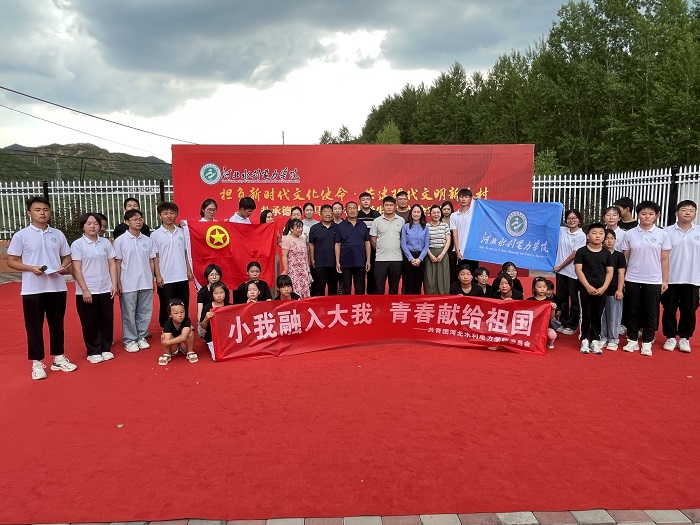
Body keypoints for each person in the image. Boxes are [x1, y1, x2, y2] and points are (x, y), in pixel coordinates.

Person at [6, 196, 76, 380]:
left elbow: (67, 256)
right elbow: (11, 261)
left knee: (57, 324)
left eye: (45, 209)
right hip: (32, 289)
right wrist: (31, 268)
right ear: (29, 213)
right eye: (37, 210)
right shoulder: (21, 235)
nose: (42, 213)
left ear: (50, 211)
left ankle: (58, 358)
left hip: (56, 287)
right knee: (34, 327)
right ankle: (37, 363)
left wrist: (63, 267)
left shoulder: (57, 234)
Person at [620, 201, 671, 356]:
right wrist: (623, 278)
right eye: (643, 214)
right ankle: (632, 339)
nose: (647, 217)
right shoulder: (630, 234)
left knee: (651, 311)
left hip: (653, 279)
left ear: (657, 216)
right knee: (632, 309)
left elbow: (665, 259)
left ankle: (648, 341)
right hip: (633, 277)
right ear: (638, 215)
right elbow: (625, 258)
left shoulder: (662, 234)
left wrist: (665, 280)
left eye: (650, 214)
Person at [71, 213, 118, 363]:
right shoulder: (78, 244)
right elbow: (77, 269)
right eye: (89, 223)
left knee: (106, 319)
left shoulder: (105, 243)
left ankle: (105, 348)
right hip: (87, 289)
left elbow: (112, 264)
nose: (93, 226)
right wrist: (85, 290)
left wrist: (114, 284)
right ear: (83, 226)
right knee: (90, 321)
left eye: (96, 223)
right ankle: (93, 351)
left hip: (105, 287)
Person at [113, 209, 156, 353]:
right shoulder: (120, 241)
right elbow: (117, 263)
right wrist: (118, 282)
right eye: (134, 219)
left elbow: (151, 261)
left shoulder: (147, 240)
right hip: (128, 282)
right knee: (129, 313)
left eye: (140, 219)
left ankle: (141, 336)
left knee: (145, 311)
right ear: (127, 222)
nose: (138, 222)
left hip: (145, 281)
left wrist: (152, 278)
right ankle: (130, 339)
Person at [661, 200, 700, 353]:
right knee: (669, 309)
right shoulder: (667, 232)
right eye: (684, 209)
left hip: (693, 278)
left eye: (691, 210)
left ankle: (685, 338)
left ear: (695, 213)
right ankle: (670, 337)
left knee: (689, 309)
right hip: (671, 277)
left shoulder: (698, 231)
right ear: (677, 213)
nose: (688, 212)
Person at [574, 222, 614, 354]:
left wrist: (604, 288)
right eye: (594, 233)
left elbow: (610, 272)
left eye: (601, 233)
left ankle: (595, 339)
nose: (597, 236)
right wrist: (587, 286)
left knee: (598, 314)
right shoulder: (581, 252)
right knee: (585, 314)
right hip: (585, 289)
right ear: (587, 235)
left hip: (601, 290)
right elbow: (578, 270)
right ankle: (584, 339)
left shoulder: (607, 253)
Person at [151, 201, 193, 327]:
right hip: (166, 276)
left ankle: (184, 324)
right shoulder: (155, 235)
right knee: (166, 303)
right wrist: (158, 275)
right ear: (160, 215)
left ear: (176, 214)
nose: (169, 216)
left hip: (181, 275)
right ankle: (167, 326)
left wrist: (188, 270)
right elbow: (155, 257)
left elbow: (186, 252)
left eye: (172, 213)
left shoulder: (182, 232)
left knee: (183, 302)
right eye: (165, 213)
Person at [553, 209, 587, 335]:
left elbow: (574, 254)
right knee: (562, 298)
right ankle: (563, 322)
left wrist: (560, 266)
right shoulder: (562, 230)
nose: (571, 221)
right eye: (569, 218)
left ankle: (572, 325)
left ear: (579, 219)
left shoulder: (581, 235)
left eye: (574, 218)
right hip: (560, 272)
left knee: (574, 299)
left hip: (573, 272)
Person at [370, 196, 405, 294]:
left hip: (397, 258)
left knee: (394, 288)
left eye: (391, 205)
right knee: (379, 288)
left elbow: (404, 238)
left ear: (395, 206)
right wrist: (380, 249)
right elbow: (373, 239)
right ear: (383, 207)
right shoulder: (377, 221)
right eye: (386, 205)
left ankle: (392, 304)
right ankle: (380, 304)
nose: (389, 207)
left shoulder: (401, 221)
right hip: (380, 259)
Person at [335, 201, 371, 295]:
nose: (352, 210)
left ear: (357, 210)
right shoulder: (341, 226)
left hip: (360, 261)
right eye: (349, 208)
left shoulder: (362, 225)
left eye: (354, 208)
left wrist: (368, 260)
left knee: (360, 289)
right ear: (346, 211)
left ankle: (360, 304)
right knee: (346, 289)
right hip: (345, 261)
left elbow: (367, 242)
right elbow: (337, 244)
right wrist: (337, 262)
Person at [600, 229, 627, 351]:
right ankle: (602, 337)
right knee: (601, 315)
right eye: (607, 238)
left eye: (612, 238)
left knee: (614, 316)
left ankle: (613, 339)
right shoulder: (598, 253)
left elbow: (621, 273)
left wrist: (619, 289)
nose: (609, 241)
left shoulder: (619, 256)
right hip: (600, 290)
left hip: (613, 289)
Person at [309, 204, 339, 296]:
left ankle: (332, 305)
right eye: (325, 212)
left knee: (333, 290)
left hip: (333, 264)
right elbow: (311, 244)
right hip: (319, 264)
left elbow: (338, 244)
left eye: (330, 212)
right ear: (320, 214)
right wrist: (312, 259)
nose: (328, 214)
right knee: (319, 289)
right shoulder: (314, 228)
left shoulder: (337, 228)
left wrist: (338, 261)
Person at [400, 203, 430, 294]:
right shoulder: (405, 226)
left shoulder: (425, 227)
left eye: (418, 212)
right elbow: (403, 244)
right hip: (408, 256)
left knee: (418, 284)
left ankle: (417, 301)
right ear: (411, 213)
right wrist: (411, 259)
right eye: (414, 212)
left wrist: (420, 259)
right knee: (408, 284)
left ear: (421, 213)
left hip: (421, 257)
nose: (416, 214)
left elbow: (426, 245)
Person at [158, 299, 198, 365]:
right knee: (163, 336)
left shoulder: (187, 320)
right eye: (176, 313)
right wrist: (168, 341)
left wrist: (167, 342)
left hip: (184, 345)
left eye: (182, 312)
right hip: (174, 347)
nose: (180, 315)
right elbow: (167, 338)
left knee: (190, 333)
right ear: (170, 315)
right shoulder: (167, 323)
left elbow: (183, 337)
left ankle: (190, 352)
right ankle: (167, 354)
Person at [281, 218, 312, 298]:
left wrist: (307, 268)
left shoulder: (302, 239)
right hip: (294, 270)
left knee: (305, 290)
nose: (300, 229)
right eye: (298, 228)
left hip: (303, 270)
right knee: (296, 291)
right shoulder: (287, 239)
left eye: (301, 227)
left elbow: (305, 255)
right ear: (291, 229)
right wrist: (286, 269)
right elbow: (284, 255)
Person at [424, 204, 451, 294]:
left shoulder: (445, 226)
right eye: (434, 213)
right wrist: (430, 255)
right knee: (430, 276)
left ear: (441, 213)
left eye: (438, 212)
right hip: (429, 253)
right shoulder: (426, 226)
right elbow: (424, 243)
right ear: (430, 214)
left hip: (442, 253)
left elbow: (448, 241)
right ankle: (430, 296)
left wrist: (442, 254)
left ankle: (444, 295)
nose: (436, 215)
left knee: (443, 275)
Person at [357, 192, 380, 294]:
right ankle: (361, 295)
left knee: (373, 273)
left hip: (374, 247)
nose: (365, 201)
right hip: (360, 248)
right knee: (360, 273)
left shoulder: (376, 215)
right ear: (360, 202)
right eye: (363, 200)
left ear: (371, 201)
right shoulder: (356, 215)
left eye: (367, 199)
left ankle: (372, 295)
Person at [199, 281, 229, 359]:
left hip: (227, 337)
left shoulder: (229, 306)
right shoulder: (207, 307)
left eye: (221, 292)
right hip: (212, 337)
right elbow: (203, 326)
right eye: (216, 293)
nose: (219, 296)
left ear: (225, 293)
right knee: (217, 356)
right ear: (212, 294)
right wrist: (206, 318)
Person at [450, 188, 478, 270]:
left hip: (471, 250)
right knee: (459, 273)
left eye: (466, 197)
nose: (463, 199)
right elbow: (455, 234)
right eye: (461, 197)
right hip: (458, 250)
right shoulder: (454, 215)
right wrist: (457, 251)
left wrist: (478, 202)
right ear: (458, 198)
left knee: (472, 273)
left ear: (470, 199)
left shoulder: (474, 213)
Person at [197, 264, 227, 337]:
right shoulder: (202, 291)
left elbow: (226, 307)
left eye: (217, 274)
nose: (214, 277)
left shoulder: (224, 289)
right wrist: (203, 322)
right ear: (207, 276)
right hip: (207, 317)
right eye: (211, 275)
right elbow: (199, 312)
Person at [528, 276, 558, 349]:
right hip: (532, 328)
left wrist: (553, 309)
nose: (542, 289)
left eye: (544, 287)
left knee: (552, 335)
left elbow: (551, 317)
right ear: (534, 288)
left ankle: (549, 342)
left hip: (546, 327)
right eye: (539, 287)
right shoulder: (529, 301)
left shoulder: (550, 301)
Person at [441, 200, 458, 284]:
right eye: (444, 209)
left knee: (453, 268)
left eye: (448, 209)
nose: (446, 211)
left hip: (453, 248)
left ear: (452, 210)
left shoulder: (454, 220)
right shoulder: (439, 221)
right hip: (442, 248)